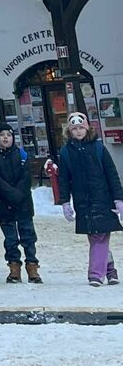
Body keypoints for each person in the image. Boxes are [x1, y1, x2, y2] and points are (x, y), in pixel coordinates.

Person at [57, 112, 123, 287]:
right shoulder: (65, 152)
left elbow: (112, 175)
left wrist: (118, 199)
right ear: (70, 131)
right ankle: (110, 271)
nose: (78, 131)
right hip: (83, 201)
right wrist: (64, 201)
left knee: (99, 237)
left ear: (87, 128)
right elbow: (63, 178)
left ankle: (95, 274)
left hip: (103, 199)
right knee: (95, 236)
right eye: (75, 129)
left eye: (81, 128)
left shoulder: (99, 148)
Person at [0, 122, 40, 284]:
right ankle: (14, 267)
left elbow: (26, 177)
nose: (5, 138)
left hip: (23, 203)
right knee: (10, 239)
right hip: (4, 204)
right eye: (2, 135)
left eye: (8, 135)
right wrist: (11, 195)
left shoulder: (22, 155)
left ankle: (32, 267)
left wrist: (17, 195)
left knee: (28, 236)